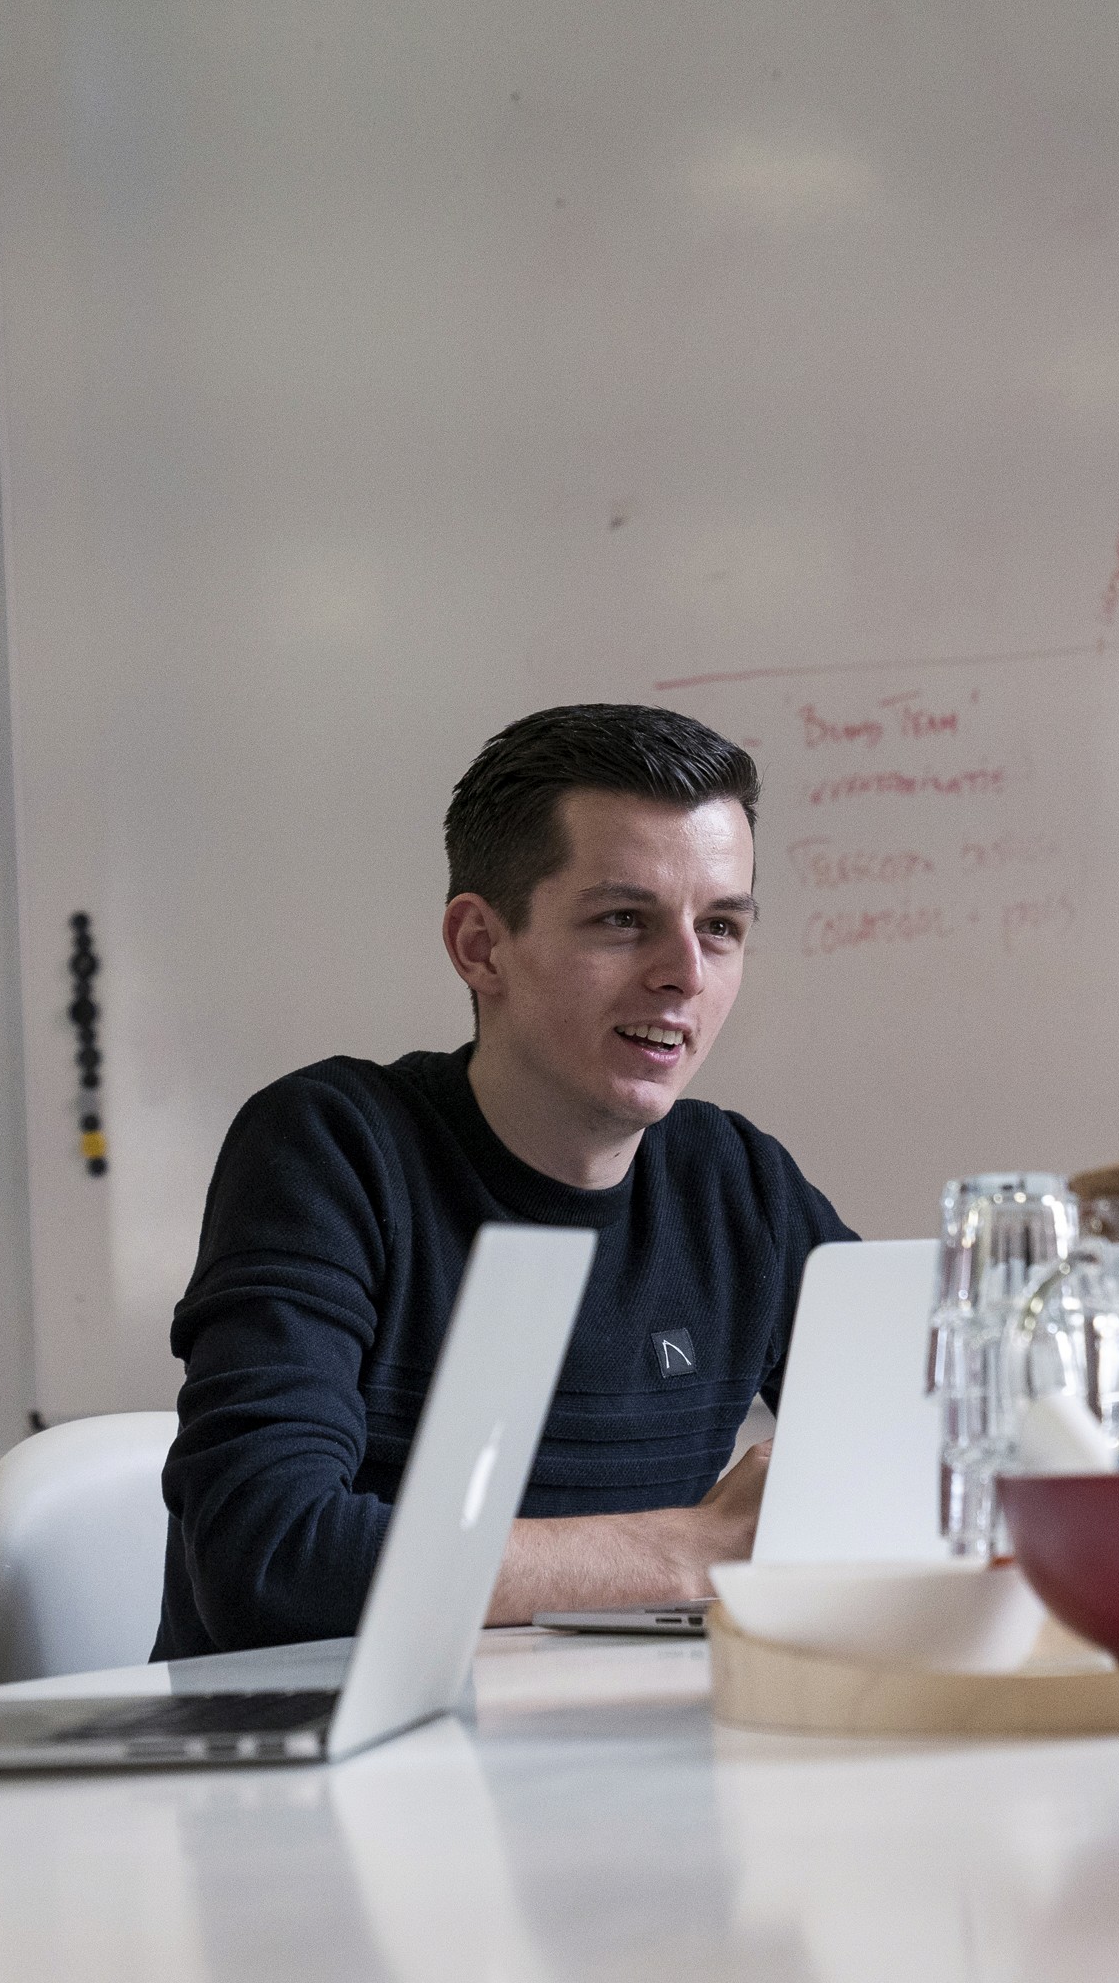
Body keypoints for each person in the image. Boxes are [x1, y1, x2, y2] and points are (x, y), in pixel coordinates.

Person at [156, 703, 855, 1658]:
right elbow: (273, 1561)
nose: (685, 975)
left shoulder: (737, 1183)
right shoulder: (332, 1148)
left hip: (616, 1762)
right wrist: (696, 1550)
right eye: (623, 920)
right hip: (318, 1782)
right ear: (481, 947)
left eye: (721, 927)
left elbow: (943, 1453)